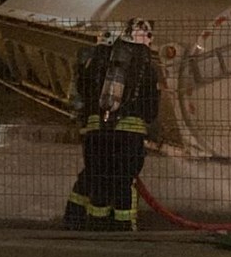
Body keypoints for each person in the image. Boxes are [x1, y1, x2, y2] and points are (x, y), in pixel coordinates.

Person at [63, 18, 160, 231]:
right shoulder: (147, 70)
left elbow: (82, 95)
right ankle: (123, 227)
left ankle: (91, 223)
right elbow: (151, 110)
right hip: (129, 136)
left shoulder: (94, 64)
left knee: (97, 177)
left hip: (96, 133)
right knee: (123, 182)